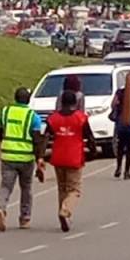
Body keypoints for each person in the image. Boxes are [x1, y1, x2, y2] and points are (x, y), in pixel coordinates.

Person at [43, 90, 96, 232]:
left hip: (58, 157)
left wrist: (41, 155)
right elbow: (89, 137)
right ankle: (65, 211)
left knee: (62, 188)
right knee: (74, 189)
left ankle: (63, 215)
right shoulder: (80, 118)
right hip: (74, 157)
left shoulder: (53, 118)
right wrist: (93, 150)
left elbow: (46, 136)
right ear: (75, 103)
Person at [0, 87, 45, 232]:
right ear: (28, 100)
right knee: (26, 188)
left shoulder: (6, 112)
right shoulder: (33, 116)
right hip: (26, 157)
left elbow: (0, 132)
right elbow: (37, 140)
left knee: (5, 186)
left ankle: (1, 208)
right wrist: (39, 158)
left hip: (8, 156)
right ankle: (25, 218)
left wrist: (4, 145)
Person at [110, 73, 130, 179]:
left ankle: (118, 167)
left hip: (121, 120)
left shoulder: (120, 93)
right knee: (129, 148)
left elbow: (113, 104)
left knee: (120, 146)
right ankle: (127, 172)